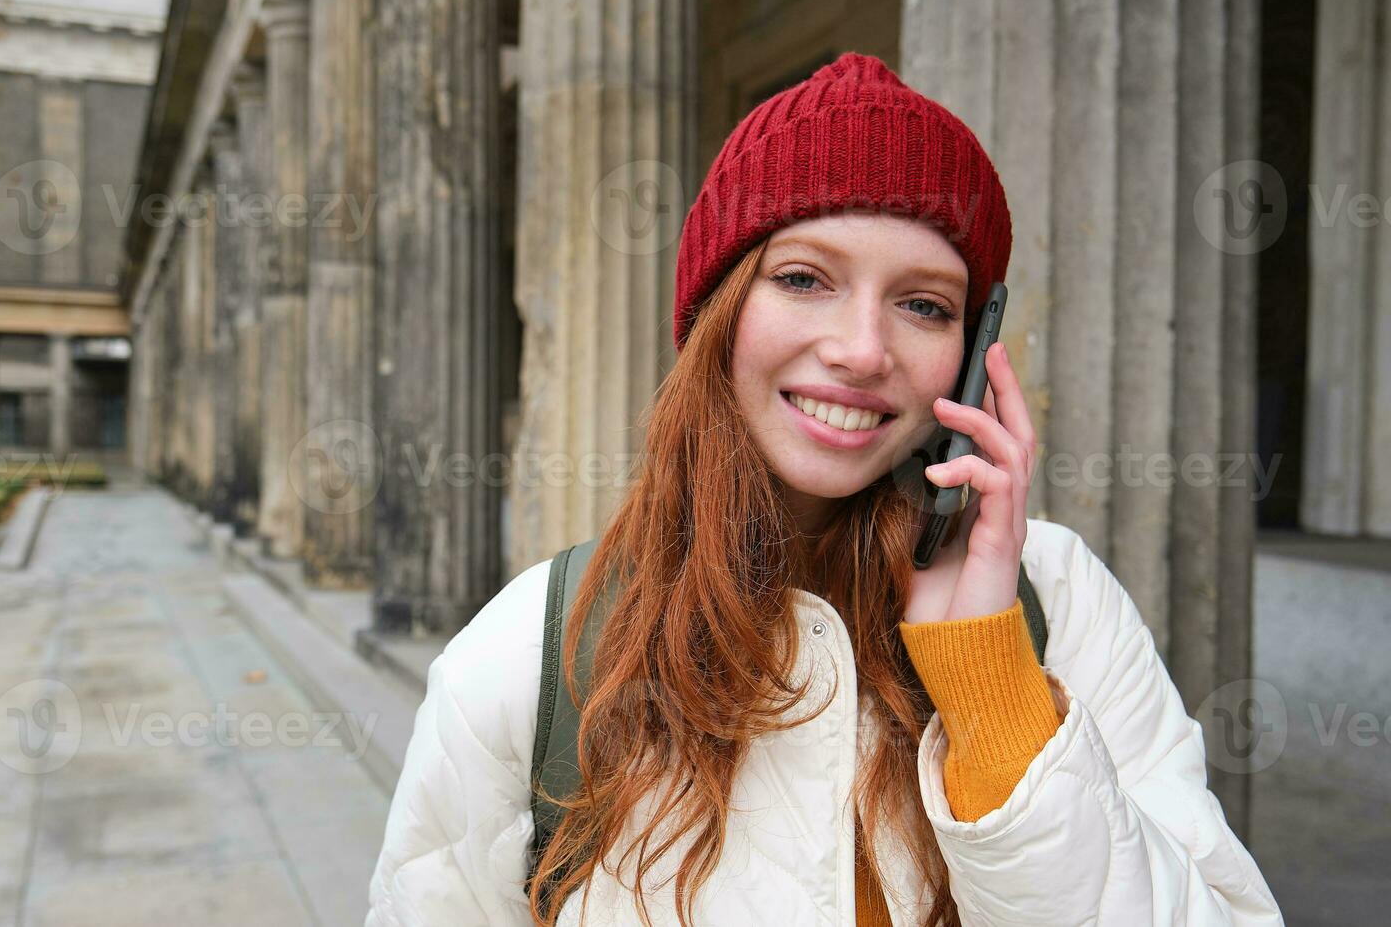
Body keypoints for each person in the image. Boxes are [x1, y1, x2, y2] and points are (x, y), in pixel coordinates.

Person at [367, 52, 1280, 926]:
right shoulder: (533, 653)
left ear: (972, 356)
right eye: (804, 279)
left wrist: (988, 674)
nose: (862, 349)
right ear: (720, 315)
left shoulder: (1063, 602)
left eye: (924, 304)